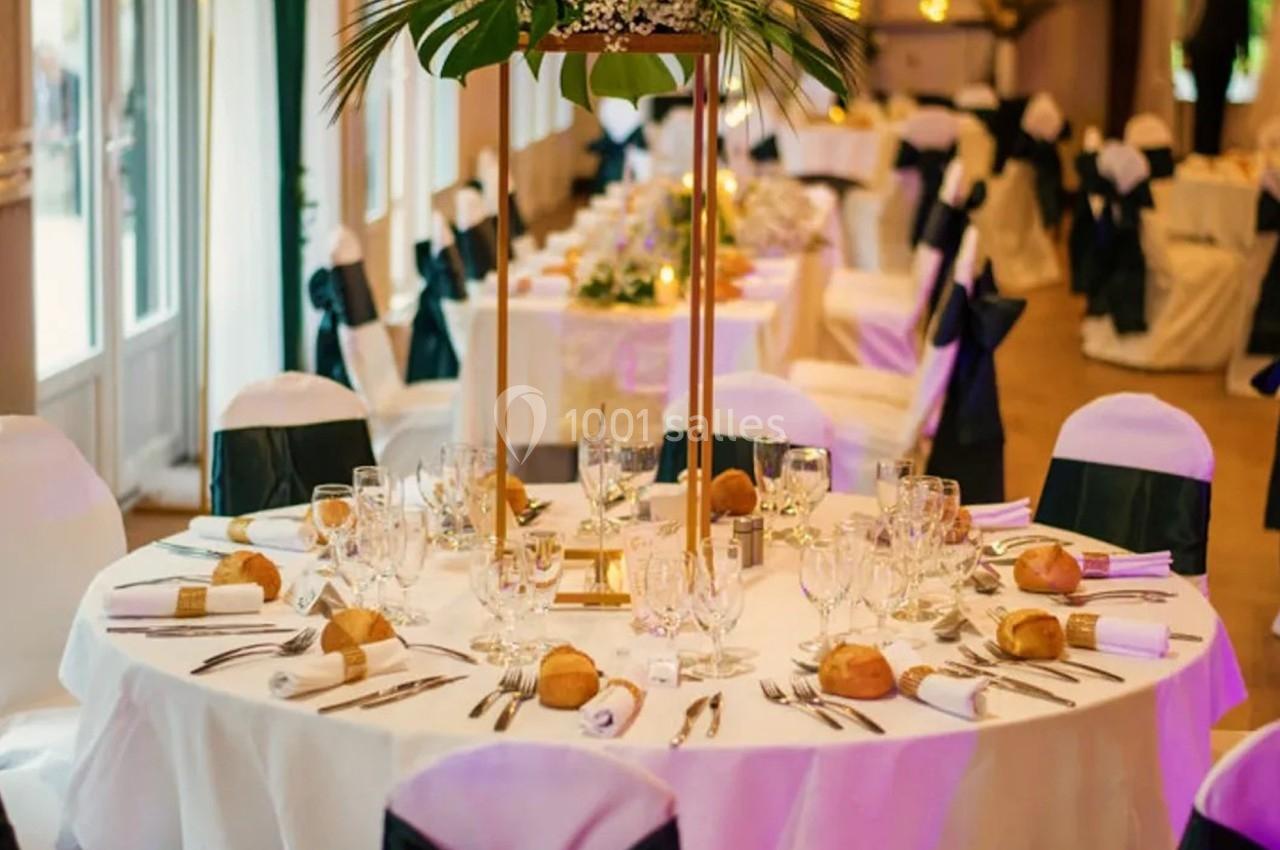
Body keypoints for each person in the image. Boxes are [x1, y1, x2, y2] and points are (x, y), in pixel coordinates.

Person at [1183, 0, 1251, 155]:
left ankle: (1205, 149)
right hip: (1215, 48)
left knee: (1207, 104)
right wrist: (1244, 51)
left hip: (1210, 47)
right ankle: (1206, 149)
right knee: (1211, 104)